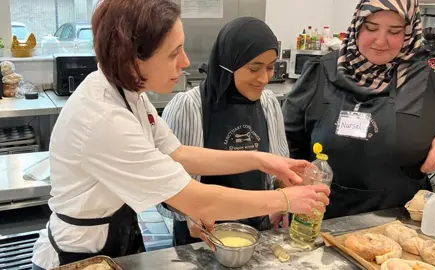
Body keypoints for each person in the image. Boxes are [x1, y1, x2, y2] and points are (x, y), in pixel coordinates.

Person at [31, 1, 330, 269]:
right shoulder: (104, 119)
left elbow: (180, 153)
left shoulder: (130, 92)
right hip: (79, 254)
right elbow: (196, 201)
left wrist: (262, 160)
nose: (186, 62)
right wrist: (284, 199)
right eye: (174, 53)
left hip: (117, 238)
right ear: (133, 57)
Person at [283, 0, 435, 220]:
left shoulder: (431, 72)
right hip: (318, 215)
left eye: (394, 31)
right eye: (371, 28)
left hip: (399, 221)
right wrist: (285, 193)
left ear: (409, 31)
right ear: (357, 25)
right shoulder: (324, 70)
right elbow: (289, 138)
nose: (380, 41)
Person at [157, 17, 290, 246]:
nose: (264, 78)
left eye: (270, 68)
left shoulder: (268, 102)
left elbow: (278, 164)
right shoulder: (189, 106)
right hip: (204, 237)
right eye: (254, 68)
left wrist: (282, 200)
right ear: (228, 63)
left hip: (259, 232)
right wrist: (189, 214)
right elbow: (169, 190)